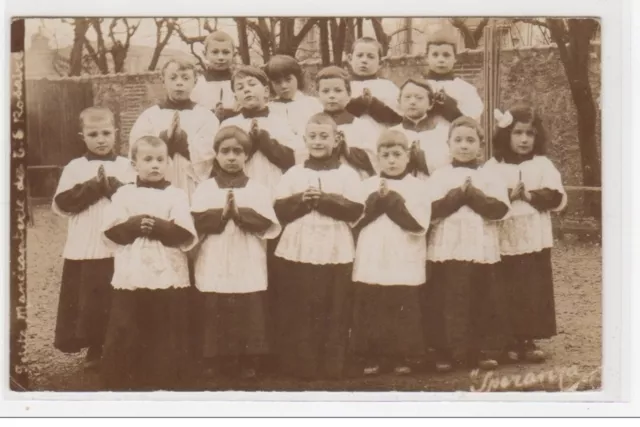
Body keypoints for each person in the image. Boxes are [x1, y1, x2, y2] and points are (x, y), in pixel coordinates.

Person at [100, 136, 197, 391]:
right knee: (129, 321)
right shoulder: (124, 194)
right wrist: (134, 225)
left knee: (164, 322)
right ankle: (127, 376)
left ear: (167, 162)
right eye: (148, 159)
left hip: (166, 268)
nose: (155, 165)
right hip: (133, 269)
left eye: (160, 160)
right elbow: (111, 230)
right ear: (134, 164)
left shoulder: (176, 194)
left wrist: (159, 226)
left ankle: (165, 376)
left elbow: (184, 232)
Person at [272, 112, 364, 379]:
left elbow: (355, 209)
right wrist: (304, 200)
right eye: (312, 136)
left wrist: (324, 200)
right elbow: (279, 209)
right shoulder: (293, 173)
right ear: (304, 140)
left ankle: (332, 366)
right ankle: (302, 366)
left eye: (324, 136)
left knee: (334, 307)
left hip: (335, 249)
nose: (318, 141)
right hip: (298, 248)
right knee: (300, 306)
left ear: (336, 140)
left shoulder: (347, 174)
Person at [191, 126, 281, 379]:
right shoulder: (205, 188)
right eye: (225, 151)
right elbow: (196, 220)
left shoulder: (258, 189)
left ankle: (248, 359)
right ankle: (214, 358)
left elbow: (268, 224)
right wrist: (220, 215)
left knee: (247, 307)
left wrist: (240, 215)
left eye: (238, 151)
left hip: (246, 255)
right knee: (214, 306)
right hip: (216, 255)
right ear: (216, 155)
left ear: (247, 156)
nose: (231, 157)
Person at [425, 116, 510, 372]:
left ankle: (480, 351)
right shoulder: (440, 175)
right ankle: (446, 351)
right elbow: (430, 209)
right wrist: (458, 195)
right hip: (447, 248)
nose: (464, 146)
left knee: (481, 298)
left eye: (470, 140)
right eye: (458, 140)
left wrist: (473, 195)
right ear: (448, 144)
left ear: (481, 145)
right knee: (447, 298)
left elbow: (500, 209)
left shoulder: (489, 174)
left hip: (479, 248)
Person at [52, 106, 134, 370]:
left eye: (106, 133)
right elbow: (63, 203)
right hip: (88, 244)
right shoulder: (75, 167)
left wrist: (111, 186)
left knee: (118, 296)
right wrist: (93, 186)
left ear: (116, 133)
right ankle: (95, 347)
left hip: (119, 246)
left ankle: (119, 348)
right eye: (93, 134)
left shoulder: (126, 166)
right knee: (91, 297)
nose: (101, 139)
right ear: (82, 136)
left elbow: (135, 200)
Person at [485, 104, 567, 363]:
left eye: (530, 134)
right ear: (506, 135)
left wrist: (529, 195)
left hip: (533, 238)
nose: (523, 139)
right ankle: (508, 339)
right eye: (518, 133)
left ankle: (528, 339)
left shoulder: (542, 164)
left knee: (531, 288)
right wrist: (507, 196)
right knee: (504, 288)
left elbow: (555, 195)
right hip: (503, 238)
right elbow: (485, 197)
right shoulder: (492, 166)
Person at [350, 129, 431, 376]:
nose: (392, 160)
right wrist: (375, 202)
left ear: (408, 156)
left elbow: (418, 224)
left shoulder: (418, 187)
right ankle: (372, 356)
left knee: (402, 305)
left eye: (397, 154)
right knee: (372, 304)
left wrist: (392, 200)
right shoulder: (366, 186)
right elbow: (354, 221)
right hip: (373, 254)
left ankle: (403, 355)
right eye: (386, 155)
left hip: (402, 254)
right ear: (378, 158)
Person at [128, 58, 219, 202]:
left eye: (185, 78)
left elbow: (210, 149)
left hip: (191, 180)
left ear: (195, 82)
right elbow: (137, 147)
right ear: (163, 81)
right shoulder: (150, 115)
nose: (179, 82)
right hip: (158, 180)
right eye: (173, 77)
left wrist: (184, 143)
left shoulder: (205, 116)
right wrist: (165, 139)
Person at [220, 65, 301, 193]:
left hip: (274, 182)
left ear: (266, 91)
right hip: (241, 185)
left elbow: (289, 160)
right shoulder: (229, 124)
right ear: (235, 97)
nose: (247, 90)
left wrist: (263, 138)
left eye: (252, 84)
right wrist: (249, 141)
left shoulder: (280, 121)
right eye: (240, 87)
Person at [315, 66, 379, 178]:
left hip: (355, 178)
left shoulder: (362, 126)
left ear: (349, 94)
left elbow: (375, 157)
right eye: (325, 91)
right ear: (318, 95)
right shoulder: (313, 125)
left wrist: (348, 151)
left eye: (338, 90)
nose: (331, 96)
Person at [423, 28, 484, 129]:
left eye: (446, 55)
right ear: (426, 58)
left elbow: (473, 123)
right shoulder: (418, 87)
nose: (441, 60)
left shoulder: (466, 89)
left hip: (455, 141)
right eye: (435, 55)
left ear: (455, 58)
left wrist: (451, 110)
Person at [390, 78, 451, 178]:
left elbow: (447, 166)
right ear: (399, 102)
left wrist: (422, 158)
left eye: (419, 98)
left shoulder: (443, 133)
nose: (412, 102)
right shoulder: (392, 133)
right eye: (407, 97)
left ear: (430, 104)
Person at [346, 37, 403, 130]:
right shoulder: (342, 86)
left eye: (370, 57)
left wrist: (373, 104)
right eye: (359, 55)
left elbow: (397, 118)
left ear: (380, 63)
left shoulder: (387, 87)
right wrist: (360, 104)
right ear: (350, 58)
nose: (364, 60)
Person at [265, 54, 323, 137]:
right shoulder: (269, 109)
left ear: (297, 78)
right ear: (271, 85)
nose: (284, 86)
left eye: (288, 79)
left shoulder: (313, 104)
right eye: (278, 82)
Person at [190, 30, 238, 122]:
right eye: (215, 52)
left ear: (233, 55)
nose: (220, 57)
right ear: (205, 54)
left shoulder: (239, 82)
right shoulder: (197, 83)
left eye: (226, 52)